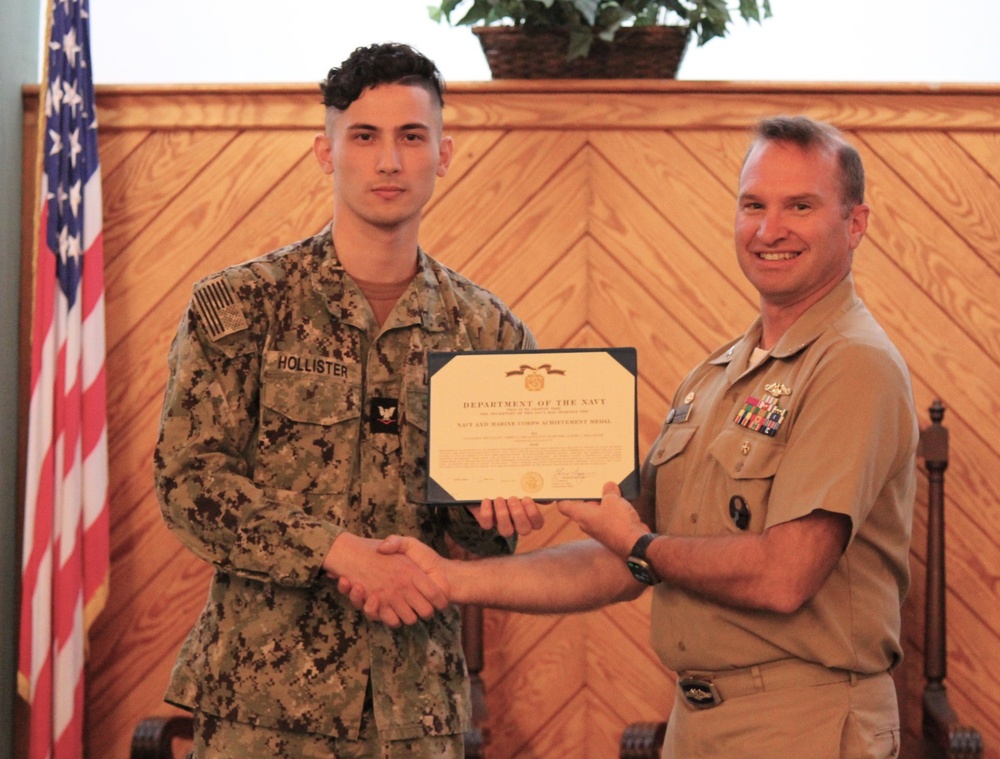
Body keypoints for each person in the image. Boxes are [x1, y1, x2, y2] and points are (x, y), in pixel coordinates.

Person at [348, 115, 918, 759]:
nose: (769, 229)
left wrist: (637, 542)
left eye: (801, 206)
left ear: (855, 223)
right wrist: (452, 579)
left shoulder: (851, 363)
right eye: (753, 204)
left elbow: (783, 576)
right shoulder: (717, 376)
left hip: (803, 724)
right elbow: (620, 562)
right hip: (698, 723)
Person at [153, 42, 542, 759]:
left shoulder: (489, 331)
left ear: (444, 153)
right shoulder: (240, 307)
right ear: (326, 152)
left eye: (411, 137)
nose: (388, 161)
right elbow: (188, 482)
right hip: (262, 708)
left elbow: (485, 537)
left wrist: (497, 513)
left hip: (416, 707)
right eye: (364, 136)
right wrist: (337, 552)